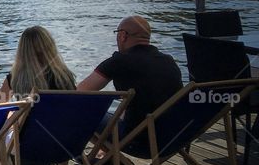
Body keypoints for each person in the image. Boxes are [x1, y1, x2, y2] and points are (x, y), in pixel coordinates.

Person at [0, 26, 77, 165]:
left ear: (23, 50)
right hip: (64, 142)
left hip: (26, 144)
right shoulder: (65, 77)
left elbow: (1, 99)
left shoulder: (17, 77)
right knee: (59, 121)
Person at [77, 15, 182, 145]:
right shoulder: (168, 61)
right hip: (175, 137)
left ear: (123, 35)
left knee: (79, 115)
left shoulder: (118, 62)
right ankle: (110, 158)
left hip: (139, 141)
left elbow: (79, 92)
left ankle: (113, 161)